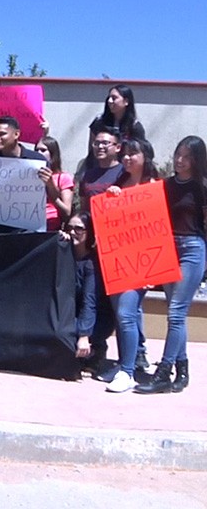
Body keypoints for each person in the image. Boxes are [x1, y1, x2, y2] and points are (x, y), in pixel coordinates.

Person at [136, 136, 207, 395]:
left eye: (187, 157)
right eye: (178, 154)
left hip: (192, 248)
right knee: (177, 314)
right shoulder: (164, 186)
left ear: (197, 160)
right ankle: (183, 368)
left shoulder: (201, 188)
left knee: (176, 312)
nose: (180, 160)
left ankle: (163, 371)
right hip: (167, 248)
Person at [103, 138, 158, 393]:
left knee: (126, 314)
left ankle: (127, 372)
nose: (127, 158)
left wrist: (154, 270)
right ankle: (128, 363)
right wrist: (111, 198)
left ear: (145, 156)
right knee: (125, 317)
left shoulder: (155, 187)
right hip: (118, 261)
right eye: (124, 154)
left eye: (132, 154)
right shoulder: (120, 184)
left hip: (142, 264)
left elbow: (160, 231)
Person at [60, 212, 98, 364]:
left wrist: (84, 335)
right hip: (69, 314)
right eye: (69, 228)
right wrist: (59, 244)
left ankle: (96, 349)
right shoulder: (63, 254)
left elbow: (90, 301)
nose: (72, 232)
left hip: (92, 319)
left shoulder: (91, 264)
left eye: (79, 229)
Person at [77, 125, 123, 212]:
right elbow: (84, 208)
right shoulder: (87, 175)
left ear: (118, 147)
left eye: (105, 143)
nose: (100, 147)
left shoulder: (124, 172)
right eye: (96, 143)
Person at [35, 136, 74, 231]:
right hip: (32, 225)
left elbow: (67, 212)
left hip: (52, 227)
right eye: (36, 150)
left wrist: (50, 185)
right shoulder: (29, 176)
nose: (39, 153)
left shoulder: (63, 177)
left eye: (43, 150)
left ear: (53, 154)